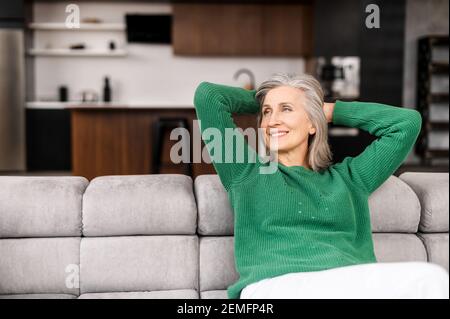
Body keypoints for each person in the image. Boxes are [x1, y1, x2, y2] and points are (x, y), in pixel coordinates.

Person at [193, 73, 449, 299]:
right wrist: (268, 96)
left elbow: (406, 124)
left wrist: (328, 110)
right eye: (267, 112)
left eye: (286, 109)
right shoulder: (245, 172)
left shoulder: (350, 179)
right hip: (276, 286)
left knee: (430, 278)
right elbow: (208, 96)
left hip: (348, 281)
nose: (272, 121)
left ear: (313, 124)